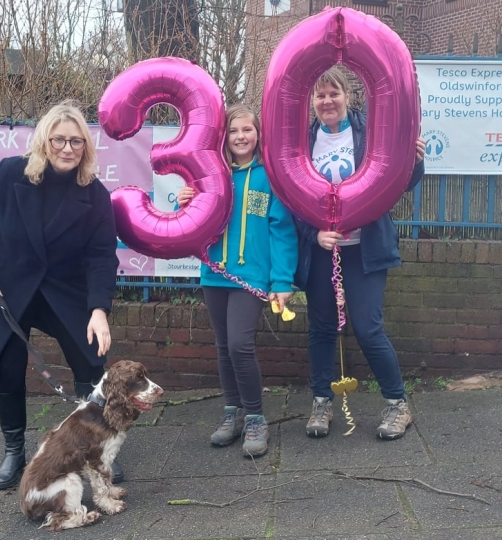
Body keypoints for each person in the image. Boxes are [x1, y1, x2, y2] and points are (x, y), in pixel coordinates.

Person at [0, 101, 120, 489]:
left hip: (66, 290)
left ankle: (93, 449)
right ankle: (14, 451)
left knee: (90, 362)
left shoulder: (94, 193)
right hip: (8, 287)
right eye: (59, 139)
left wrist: (98, 309)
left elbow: (101, 255)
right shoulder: (10, 173)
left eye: (76, 141)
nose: (67, 148)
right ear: (44, 141)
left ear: (86, 146)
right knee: (7, 367)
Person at [296, 67, 426, 441]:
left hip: (365, 249)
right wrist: (314, 233)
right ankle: (322, 402)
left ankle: (397, 404)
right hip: (322, 251)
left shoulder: (370, 132)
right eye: (320, 95)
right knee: (320, 329)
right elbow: (292, 199)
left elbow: (397, 185)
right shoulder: (302, 141)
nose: (327, 101)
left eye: (333, 93)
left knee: (368, 328)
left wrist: (414, 162)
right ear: (313, 102)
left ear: (347, 96)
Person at [177, 104, 298, 458]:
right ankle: (232, 411)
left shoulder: (270, 175)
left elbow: (282, 232)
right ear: (223, 137)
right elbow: (189, 226)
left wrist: (282, 280)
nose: (241, 137)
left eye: (247, 130)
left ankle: (256, 417)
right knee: (222, 346)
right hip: (215, 274)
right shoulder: (209, 174)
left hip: (253, 278)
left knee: (239, 345)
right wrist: (186, 203)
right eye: (234, 131)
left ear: (258, 134)